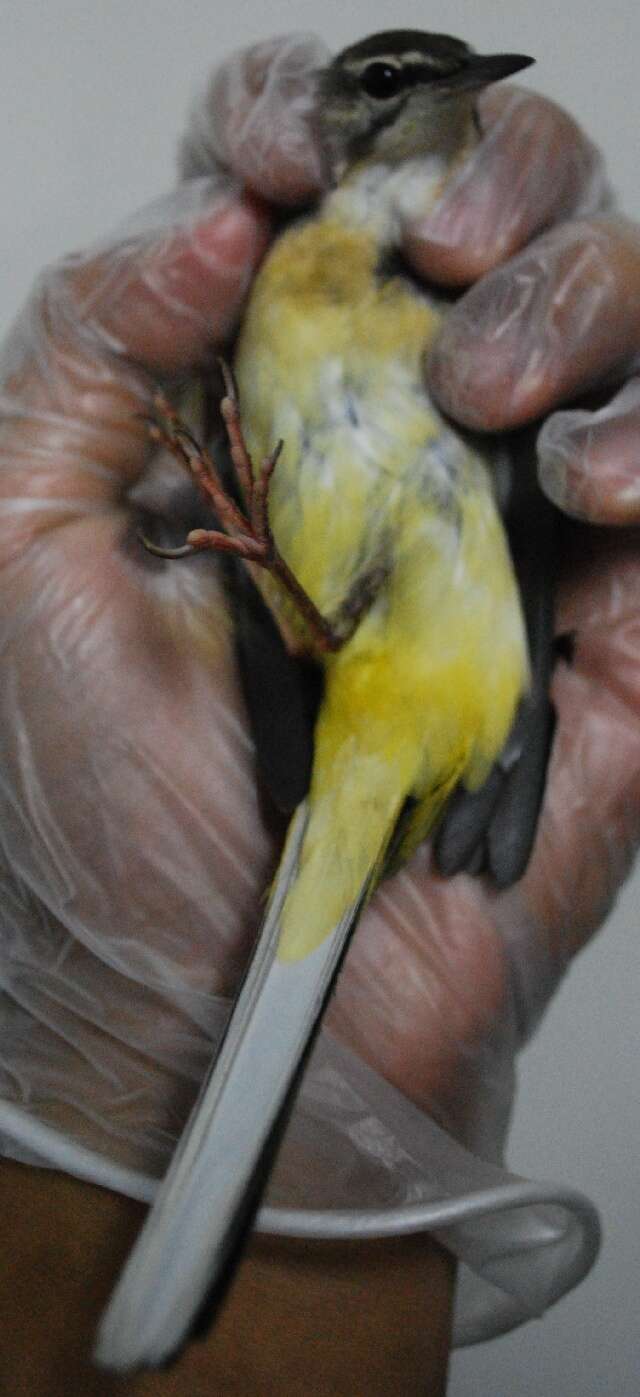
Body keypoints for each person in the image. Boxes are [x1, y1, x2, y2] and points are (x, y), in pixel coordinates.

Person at [1, 33, 639, 1396]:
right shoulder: (277, 278)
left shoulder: (456, 302)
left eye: (443, 84)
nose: (426, 102)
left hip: (447, 694)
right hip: (340, 678)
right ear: (343, 114)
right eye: (392, 79)